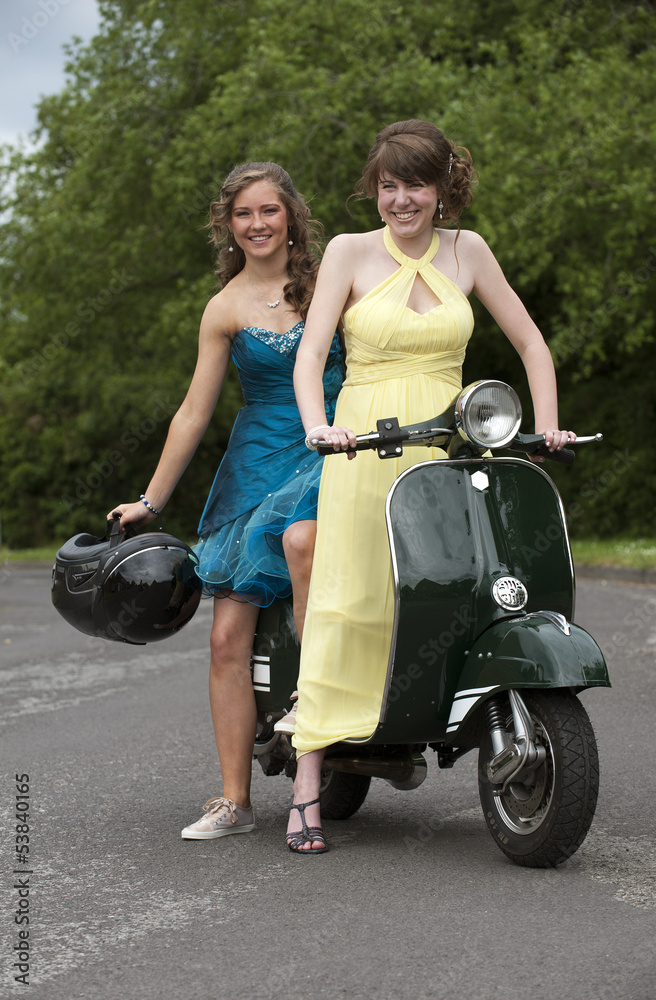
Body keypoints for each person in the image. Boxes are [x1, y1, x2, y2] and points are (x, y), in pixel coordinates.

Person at [286, 119, 576, 854]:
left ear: (443, 187)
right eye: (389, 185)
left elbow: (531, 341)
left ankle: (436, 715)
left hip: (445, 448)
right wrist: (320, 425)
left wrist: (545, 427)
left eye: (415, 184)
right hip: (360, 447)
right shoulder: (350, 253)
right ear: (375, 189)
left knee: (455, 586)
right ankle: (306, 785)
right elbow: (312, 350)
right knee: (349, 600)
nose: (401, 199)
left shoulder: (467, 249)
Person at [107, 162, 343, 840]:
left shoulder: (335, 281)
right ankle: (234, 802)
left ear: (291, 215)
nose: (258, 224)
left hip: (337, 449)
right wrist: (152, 500)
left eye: (269, 210)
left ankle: (369, 736)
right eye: (244, 214)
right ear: (227, 224)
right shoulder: (225, 307)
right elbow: (191, 412)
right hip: (257, 466)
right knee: (224, 638)